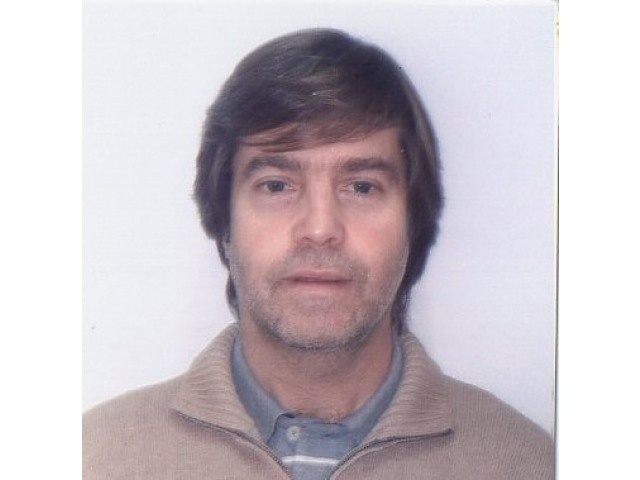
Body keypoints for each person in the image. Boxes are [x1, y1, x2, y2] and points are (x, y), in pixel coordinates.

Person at [83, 28, 554, 479]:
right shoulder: (93, 458)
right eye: (276, 185)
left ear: (413, 222)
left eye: (362, 186)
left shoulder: (530, 466)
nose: (320, 228)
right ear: (224, 221)